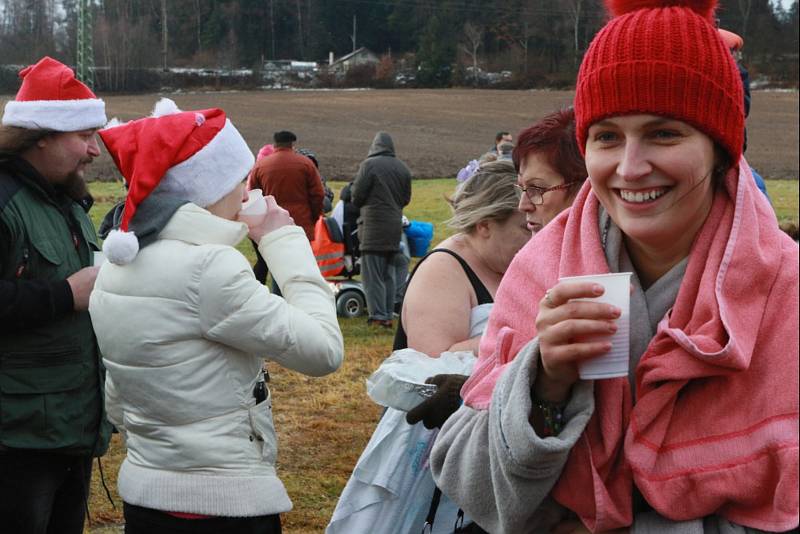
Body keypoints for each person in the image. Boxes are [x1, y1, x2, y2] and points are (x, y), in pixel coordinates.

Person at [431, 1, 799, 532]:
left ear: (721, 148)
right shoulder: (540, 271)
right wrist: (544, 382)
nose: (629, 167)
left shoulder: (785, 293)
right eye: (606, 136)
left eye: (664, 133)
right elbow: (477, 493)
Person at [89, 99, 344, 533]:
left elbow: (119, 395)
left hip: (146, 493)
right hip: (221, 502)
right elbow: (323, 351)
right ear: (207, 187)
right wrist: (284, 239)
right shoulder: (209, 268)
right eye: (238, 179)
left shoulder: (115, 264)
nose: (246, 191)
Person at [328, 160, 530, 534]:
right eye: (523, 228)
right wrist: (524, 336)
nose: (534, 237)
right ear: (485, 225)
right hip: (436, 447)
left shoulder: (508, 263)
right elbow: (435, 365)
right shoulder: (445, 268)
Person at [0, 56, 113, 534]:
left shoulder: (67, 199)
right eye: (84, 136)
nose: (94, 151)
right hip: (16, 437)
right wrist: (64, 295)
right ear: (41, 134)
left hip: (71, 425)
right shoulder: (4, 200)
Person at [249, 130, 326, 293]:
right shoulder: (306, 164)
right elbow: (318, 194)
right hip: (302, 224)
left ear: (275, 144)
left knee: (279, 265)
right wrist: (313, 217)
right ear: (293, 144)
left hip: (273, 225)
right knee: (302, 265)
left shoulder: (261, 166)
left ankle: (279, 298)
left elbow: (253, 197)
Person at [351, 131, 412, 328]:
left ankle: (377, 316)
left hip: (372, 228)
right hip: (394, 227)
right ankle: (387, 314)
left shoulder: (368, 165)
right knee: (388, 274)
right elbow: (406, 199)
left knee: (372, 275)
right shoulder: (402, 168)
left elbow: (357, 196)